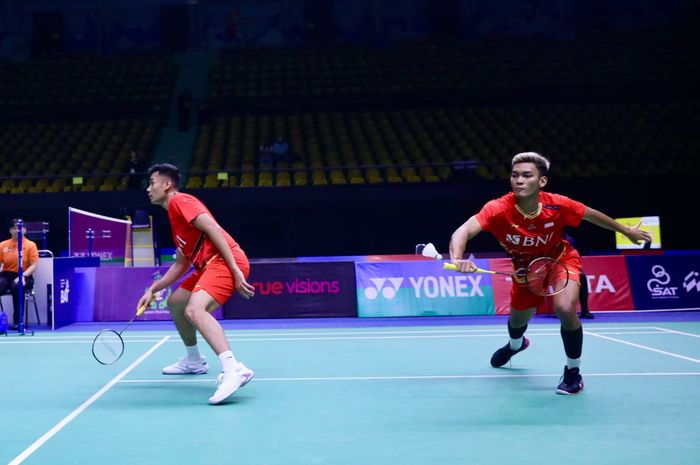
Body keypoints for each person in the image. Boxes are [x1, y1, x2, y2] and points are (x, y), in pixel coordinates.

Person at [449, 152, 650, 395]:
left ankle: (573, 372)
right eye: (514, 176)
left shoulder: (557, 204)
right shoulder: (498, 208)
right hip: (525, 271)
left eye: (526, 175)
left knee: (565, 308)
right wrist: (458, 259)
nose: (519, 180)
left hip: (560, 260)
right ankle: (516, 345)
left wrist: (625, 230)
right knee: (516, 322)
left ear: (541, 181)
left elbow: (591, 214)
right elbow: (462, 231)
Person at [137, 163, 256, 405]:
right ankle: (194, 360)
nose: (148, 189)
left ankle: (234, 370)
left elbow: (214, 229)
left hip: (224, 261)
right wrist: (152, 289)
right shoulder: (174, 217)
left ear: (167, 184)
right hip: (207, 265)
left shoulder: (182, 201)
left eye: (152, 183)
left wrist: (234, 269)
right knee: (177, 302)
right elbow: (181, 265)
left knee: (194, 309)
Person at [0, 219, 39, 330]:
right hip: (6, 275)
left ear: (25, 230)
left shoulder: (31, 245)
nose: (17, 230)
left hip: (24, 275)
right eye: (14, 228)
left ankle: (18, 321)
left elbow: (33, 265)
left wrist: (23, 276)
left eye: (20, 227)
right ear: (10, 230)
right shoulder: (3, 245)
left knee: (17, 287)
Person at [563, 230, 594, 319]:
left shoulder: (569, 239)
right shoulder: (547, 237)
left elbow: (573, 257)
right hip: (551, 268)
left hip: (567, 267)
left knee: (582, 278)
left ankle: (585, 311)